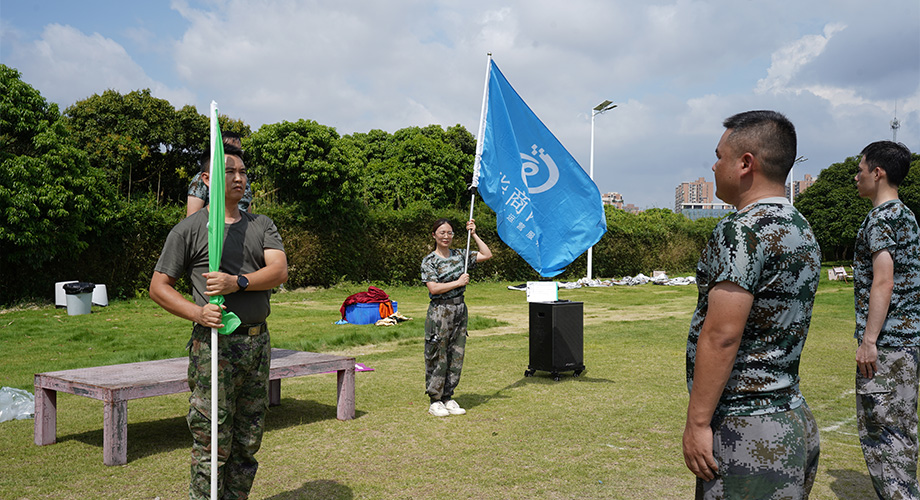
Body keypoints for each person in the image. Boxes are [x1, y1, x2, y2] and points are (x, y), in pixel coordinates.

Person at [682, 110, 822, 499]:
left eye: (719, 156)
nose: (713, 166)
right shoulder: (800, 227)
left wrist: (697, 424)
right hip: (790, 415)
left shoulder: (741, 230)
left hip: (746, 431)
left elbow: (723, 335)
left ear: (746, 164)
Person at [150, 143, 288, 499]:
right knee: (213, 441)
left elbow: (278, 271)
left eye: (244, 173)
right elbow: (159, 287)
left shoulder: (261, 225)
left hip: (257, 344)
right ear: (208, 179)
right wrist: (197, 312)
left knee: (247, 441)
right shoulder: (189, 230)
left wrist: (237, 282)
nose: (240, 179)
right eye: (231, 172)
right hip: (215, 347)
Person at [852, 140, 920, 499]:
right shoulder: (906, 215)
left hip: (889, 348)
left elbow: (884, 279)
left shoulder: (881, 219)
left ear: (878, 173)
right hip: (907, 344)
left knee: (884, 436)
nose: (856, 176)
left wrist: (869, 341)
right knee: (902, 434)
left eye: (860, 169)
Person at [421, 218, 492, 417]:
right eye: (442, 232)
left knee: (456, 354)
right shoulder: (430, 261)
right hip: (439, 312)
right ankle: (435, 399)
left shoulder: (461, 254)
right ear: (434, 235)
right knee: (438, 353)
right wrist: (458, 282)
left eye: (450, 233)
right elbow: (433, 288)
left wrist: (474, 234)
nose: (446, 236)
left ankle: (448, 397)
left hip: (459, 309)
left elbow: (487, 254)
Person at [187, 132, 253, 216]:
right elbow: (192, 218)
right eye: (228, 149)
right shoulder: (202, 179)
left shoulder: (243, 179)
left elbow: (248, 209)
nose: (233, 154)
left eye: (238, 150)